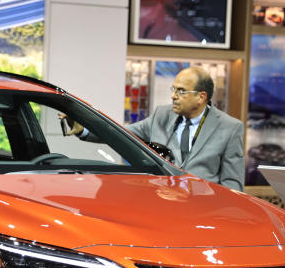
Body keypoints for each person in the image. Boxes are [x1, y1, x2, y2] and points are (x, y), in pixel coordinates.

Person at [65, 66, 244, 190]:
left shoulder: (230, 128)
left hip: (203, 212)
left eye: (181, 91)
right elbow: (121, 134)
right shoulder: (161, 115)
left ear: (201, 97)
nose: (173, 96)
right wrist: (84, 129)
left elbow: (233, 185)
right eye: (173, 89)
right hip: (161, 205)